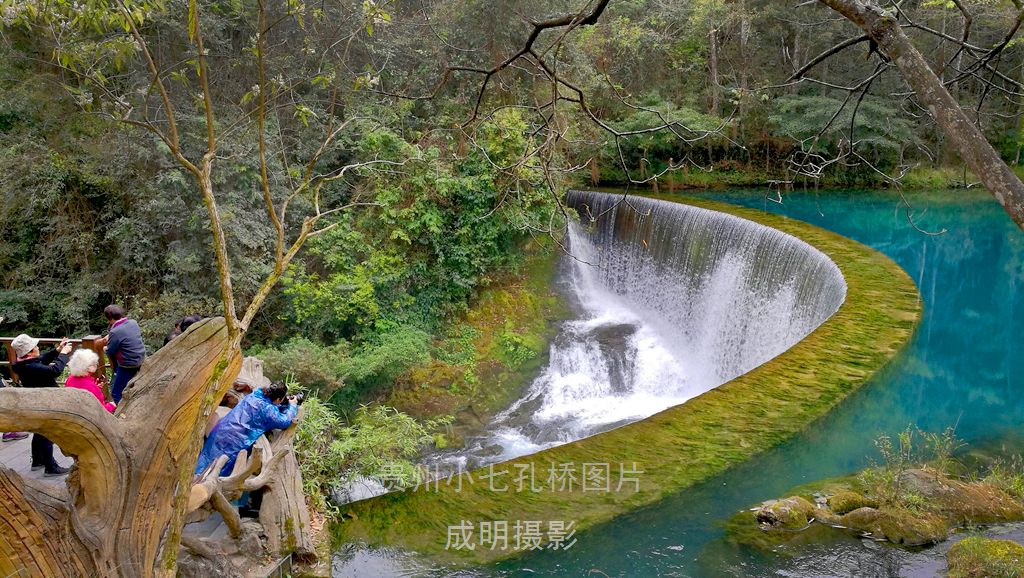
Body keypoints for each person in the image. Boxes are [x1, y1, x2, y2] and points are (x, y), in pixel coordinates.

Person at [194, 381, 298, 476]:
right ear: (278, 399)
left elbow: (269, 404)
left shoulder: (257, 393)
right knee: (219, 468)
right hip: (236, 442)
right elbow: (284, 421)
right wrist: (292, 406)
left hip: (222, 430)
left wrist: (283, 404)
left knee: (205, 458)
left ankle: (191, 482)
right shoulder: (269, 411)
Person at [11, 333, 72, 476]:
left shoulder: (23, 364)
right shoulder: (31, 367)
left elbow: (42, 360)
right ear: (31, 351)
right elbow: (55, 370)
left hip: (36, 401)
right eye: (35, 346)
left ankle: (38, 460)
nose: (38, 348)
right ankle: (50, 467)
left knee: (39, 432)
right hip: (45, 402)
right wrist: (63, 354)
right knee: (47, 433)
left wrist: (57, 351)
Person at [98, 304, 146, 403]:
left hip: (128, 364)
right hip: (141, 359)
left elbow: (110, 351)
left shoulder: (115, 332)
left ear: (109, 318)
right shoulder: (133, 322)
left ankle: (120, 412)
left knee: (116, 392)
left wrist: (103, 346)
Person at [65, 349, 116, 413]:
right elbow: (101, 410)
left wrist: (96, 387)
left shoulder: (70, 378)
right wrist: (112, 405)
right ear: (87, 367)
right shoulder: (90, 386)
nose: (97, 364)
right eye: (94, 363)